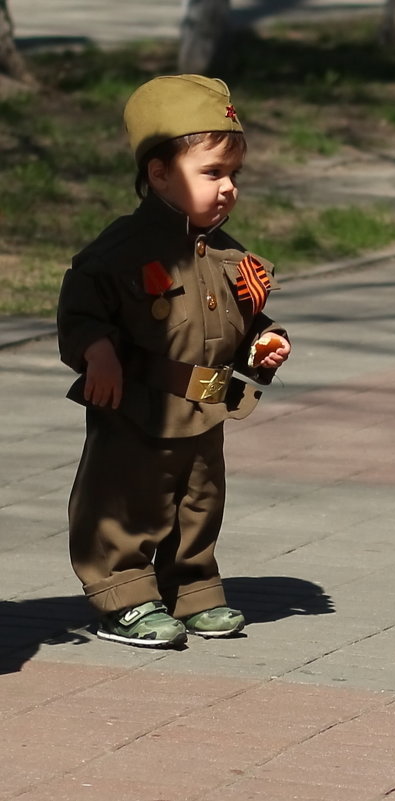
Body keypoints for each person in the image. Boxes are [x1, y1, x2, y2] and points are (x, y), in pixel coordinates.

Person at [57, 75, 291, 648]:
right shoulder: (121, 251)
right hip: (137, 409)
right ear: (159, 174)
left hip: (206, 410)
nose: (229, 188)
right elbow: (82, 309)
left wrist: (264, 344)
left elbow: (241, 322)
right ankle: (124, 599)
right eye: (212, 173)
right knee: (125, 500)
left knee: (198, 503)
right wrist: (98, 352)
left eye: (234, 174)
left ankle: (193, 591)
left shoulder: (232, 258)